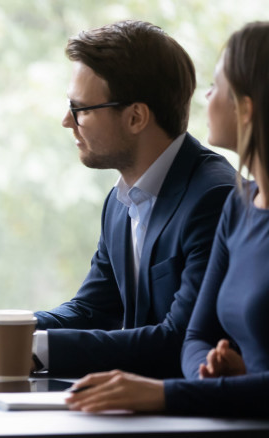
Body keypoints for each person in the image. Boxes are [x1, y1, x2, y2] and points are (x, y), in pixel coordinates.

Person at [0, 20, 237, 378]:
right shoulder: (121, 201)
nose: (66, 120)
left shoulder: (214, 197)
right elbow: (93, 309)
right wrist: (14, 330)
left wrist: (34, 348)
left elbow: (177, 338)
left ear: (135, 117)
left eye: (80, 108)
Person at [67, 21, 269, 417]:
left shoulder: (215, 194)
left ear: (245, 108)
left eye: (216, 86)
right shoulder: (240, 205)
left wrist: (164, 395)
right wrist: (213, 376)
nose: (204, 97)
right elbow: (197, 336)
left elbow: (176, 336)